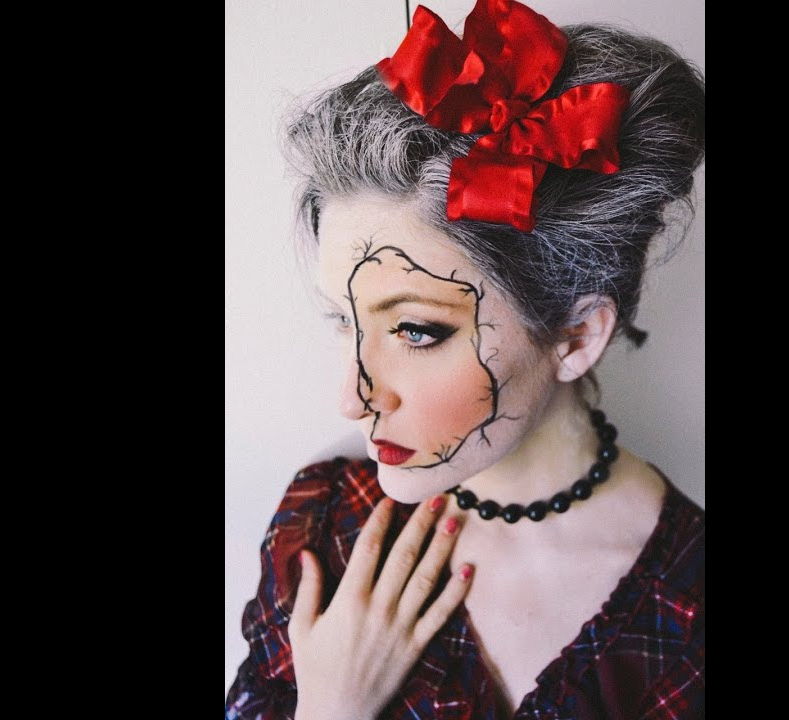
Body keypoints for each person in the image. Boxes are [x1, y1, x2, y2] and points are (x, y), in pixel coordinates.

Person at [226, 1, 704, 718]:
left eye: (416, 331)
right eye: (346, 323)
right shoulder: (325, 531)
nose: (351, 399)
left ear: (577, 337)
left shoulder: (687, 612)